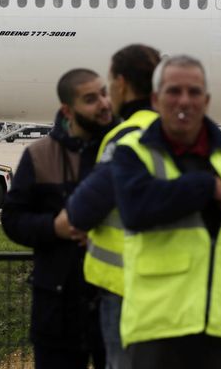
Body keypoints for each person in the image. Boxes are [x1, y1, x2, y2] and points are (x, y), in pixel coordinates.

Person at [112, 55, 221, 369]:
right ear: (155, 99)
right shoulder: (132, 150)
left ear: (206, 101)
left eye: (194, 93)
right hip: (157, 324)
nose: (184, 101)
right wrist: (204, 187)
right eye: (174, 91)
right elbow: (136, 210)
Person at [2, 68, 116, 369]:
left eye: (104, 93)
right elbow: (12, 220)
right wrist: (54, 228)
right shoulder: (40, 155)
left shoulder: (124, 151)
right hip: (57, 310)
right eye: (91, 99)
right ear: (68, 109)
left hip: (114, 309)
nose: (104, 103)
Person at [67, 44, 162, 369]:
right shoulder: (182, 133)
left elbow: (81, 210)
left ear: (121, 83)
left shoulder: (127, 138)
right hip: (174, 288)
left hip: (125, 288)